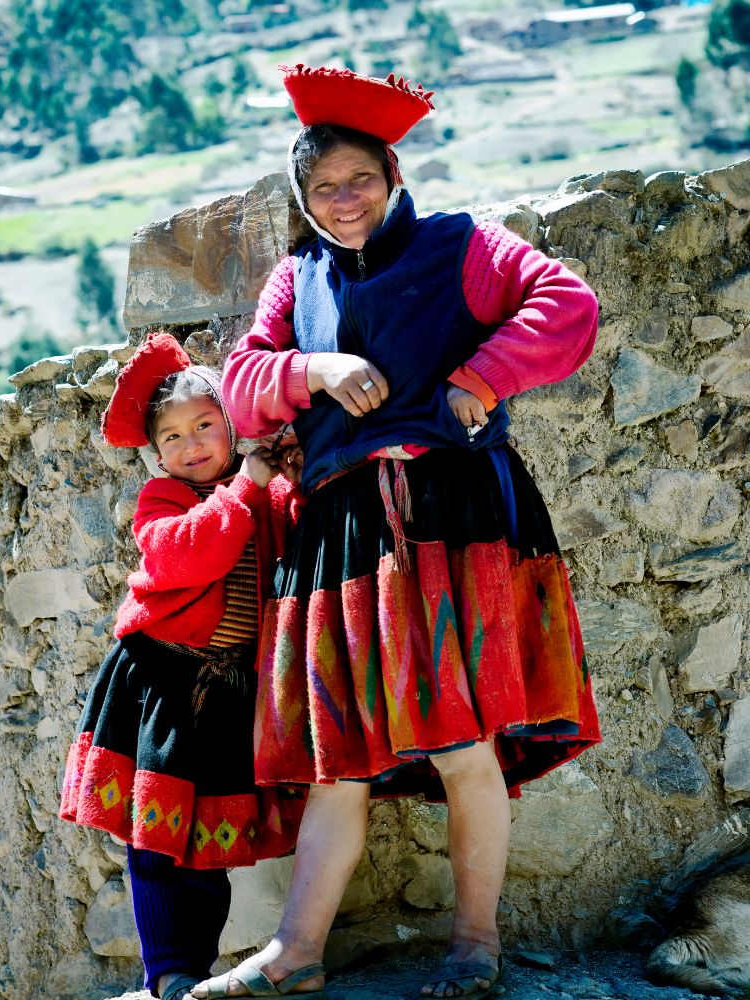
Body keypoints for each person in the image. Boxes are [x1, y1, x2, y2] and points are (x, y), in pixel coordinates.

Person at [192, 65, 602, 1000]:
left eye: (360, 180)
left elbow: (568, 306)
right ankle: (294, 956)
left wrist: (485, 376)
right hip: (340, 534)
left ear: (393, 174)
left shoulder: (465, 247)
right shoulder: (298, 280)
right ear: (302, 196)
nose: (344, 201)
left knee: (462, 740)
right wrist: (318, 366)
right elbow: (245, 384)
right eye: (323, 187)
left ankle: (476, 945)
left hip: (450, 521)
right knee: (339, 755)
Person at [59, 332, 306, 1000]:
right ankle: (170, 971)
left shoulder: (265, 489)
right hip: (161, 683)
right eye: (170, 437)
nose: (190, 444)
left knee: (206, 842)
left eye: (204, 425)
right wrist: (247, 485)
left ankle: (192, 977)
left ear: (232, 425)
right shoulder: (164, 503)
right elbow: (190, 558)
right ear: (155, 453)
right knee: (158, 837)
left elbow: (298, 513)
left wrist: (282, 467)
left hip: (227, 690)